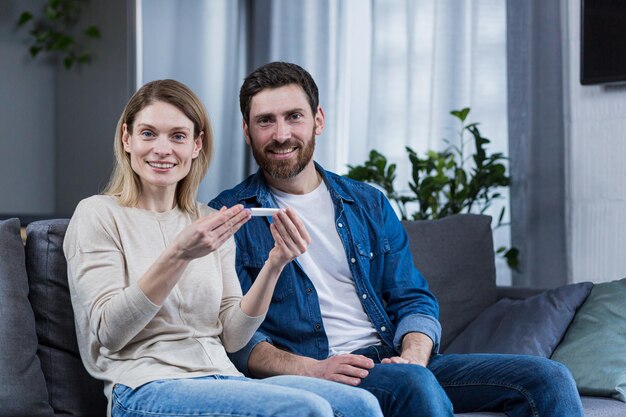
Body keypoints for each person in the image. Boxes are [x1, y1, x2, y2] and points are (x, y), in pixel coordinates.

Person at [209, 61, 585, 417]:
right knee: (413, 383)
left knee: (548, 378)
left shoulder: (367, 202)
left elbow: (412, 297)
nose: (281, 134)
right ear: (247, 130)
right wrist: (313, 369)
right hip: (319, 369)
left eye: (294, 116)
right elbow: (238, 339)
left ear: (318, 120)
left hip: (396, 359)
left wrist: (414, 352)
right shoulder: (229, 217)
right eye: (265, 121)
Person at [63, 79, 383, 417]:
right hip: (146, 387)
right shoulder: (98, 214)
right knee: (306, 409)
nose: (162, 149)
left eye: (178, 136)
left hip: (222, 376)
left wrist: (275, 264)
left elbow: (233, 336)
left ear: (196, 145)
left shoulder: (209, 219)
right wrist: (179, 255)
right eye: (148, 134)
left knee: (360, 405)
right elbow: (109, 333)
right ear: (127, 139)